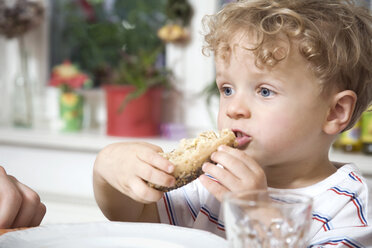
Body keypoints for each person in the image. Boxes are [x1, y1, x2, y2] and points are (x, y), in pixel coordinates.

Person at [93, 0, 372, 246]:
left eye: (264, 91)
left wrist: (256, 214)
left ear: (334, 112)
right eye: (227, 89)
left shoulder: (346, 205)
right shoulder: (212, 179)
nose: (234, 108)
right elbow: (136, 216)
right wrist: (107, 170)